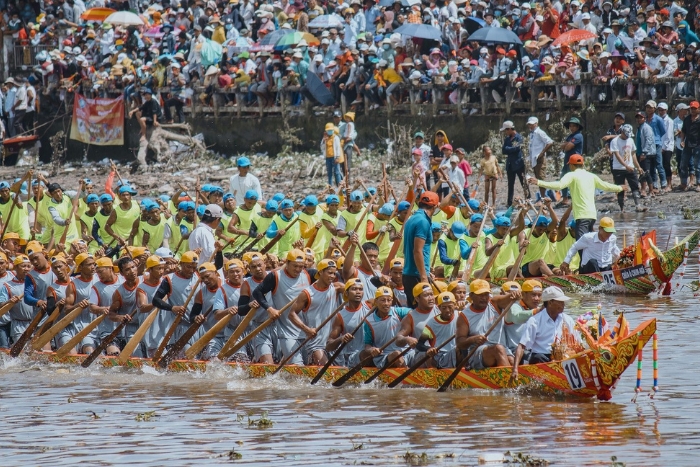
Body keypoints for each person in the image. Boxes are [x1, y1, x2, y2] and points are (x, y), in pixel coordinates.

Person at [528, 154, 623, 239]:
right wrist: (619, 188)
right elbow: (605, 186)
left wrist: (539, 182)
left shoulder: (572, 175)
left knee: (582, 245)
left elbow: (559, 185)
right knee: (588, 244)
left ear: (572, 165)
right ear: (582, 165)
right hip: (592, 216)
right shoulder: (591, 176)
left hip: (582, 216)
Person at [251, 249, 314, 365]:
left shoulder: (308, 274)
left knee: (308, 367)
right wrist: (269, 309)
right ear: (287, 263)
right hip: (287, 332)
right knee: (297, 368)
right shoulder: (275, 276)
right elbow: (257, 292)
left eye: (301, 266)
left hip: (307, 330)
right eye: (295, 266)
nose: (298, 270)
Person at [510, 287, 580, 378]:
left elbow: (578, 342)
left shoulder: (567, 319)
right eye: (560, 302)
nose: (563, 305)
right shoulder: (534, 321)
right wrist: (515, 369)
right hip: (542, 357)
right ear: (550, 302)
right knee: (538, 357)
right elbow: (522, 346)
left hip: (563, 355)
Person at [288, 259, 342, 365]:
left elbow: (353, 290)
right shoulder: (307, 293)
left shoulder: (336, 287)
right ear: (320, 272)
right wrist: (307, 329)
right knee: (327, 373)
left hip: (332, 341)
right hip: (315, 342)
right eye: (329, 273)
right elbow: (291, 314)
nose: (332, 276)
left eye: (334, 273)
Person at [456, 279, 518, 370]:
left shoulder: (495, 303)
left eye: (486, 294)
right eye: (480, 295)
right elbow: (459, 343)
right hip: (477, 353)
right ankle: (510, 383)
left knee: (511, 360)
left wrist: (513, 295)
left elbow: (507, 298)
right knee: (499, 349)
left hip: (501, 349)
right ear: (471, 296)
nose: (484, 298)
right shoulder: (464, 316)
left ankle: (506, 377)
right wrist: (473, 339)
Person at [402, 191, 439, 307]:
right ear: (435, 207)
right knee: (422, 312)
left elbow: (407, 249)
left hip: (409, 273)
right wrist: (424, 276)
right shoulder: (423, 222)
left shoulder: (412, 218)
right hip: (416, 275)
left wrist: (427, 271)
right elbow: (417, 251)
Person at [326, 278, 372, 367]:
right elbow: (329, 346)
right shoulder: (340, 316)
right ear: (346, 293)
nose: (358, 292)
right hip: (351, 357)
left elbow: (388, 302)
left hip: (370, 352)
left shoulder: (370, 305)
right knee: (367, 353)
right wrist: (341, 338)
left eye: (360, 289)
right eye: (354, 289)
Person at [610, 124, 647, 212]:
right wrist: (625, 166)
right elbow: (617, 155)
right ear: (622, 132)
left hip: (631, 167)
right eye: (625, 135)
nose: (627, 137)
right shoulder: (615, 141)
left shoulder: (630, 140)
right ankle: (621, 208)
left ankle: (638, 206)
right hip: (618, 168)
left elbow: (633, 154)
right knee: (620, 188)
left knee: (635, 186)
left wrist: (638, 167)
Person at [417, 291, 458, 368]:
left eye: (450, 307)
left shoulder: (459, 317)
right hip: (441, 357)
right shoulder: (432, 323)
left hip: (457, 353)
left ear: (455, 305)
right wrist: (429, 349)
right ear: (439, 308)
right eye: (444, 307)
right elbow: (419, 344)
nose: (447, 310)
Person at [501, 280, 543, 354]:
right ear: (523, 294)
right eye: (533, 295)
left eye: (539, 295)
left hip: (532, 349)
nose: (537, 299)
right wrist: (536, 311)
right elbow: (517, 317)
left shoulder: (537, 309)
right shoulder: (513, 306)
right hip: (515, 350)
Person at [501, 120, 529, 207]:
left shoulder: (519, 137)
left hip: (519, 163)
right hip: (510, 164)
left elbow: (517, 148)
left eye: (506, 130)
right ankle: (509, 202)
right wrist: (511, 149)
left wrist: (509, 149)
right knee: (510, 184)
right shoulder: (507, 139)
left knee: (523, 182)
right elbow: (504, 150)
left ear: (510, 129)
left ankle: (528, 199)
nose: (505, 132)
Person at [558, 117, 584, 204]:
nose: (571, 128)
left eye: (573, 126)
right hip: (567, 161)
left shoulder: (578, 136)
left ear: (577, 127)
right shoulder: (570, 136)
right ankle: (565, 199)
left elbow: (568, 147)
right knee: (564, 179)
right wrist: (566, 145)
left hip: (575, 162)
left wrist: (566, 145)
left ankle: (576, 199)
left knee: (574, 180)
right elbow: (563, 146)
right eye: (570, 126)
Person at [527, 116, 554, 198]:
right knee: (537, 178)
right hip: (534, 159)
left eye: (532, 124)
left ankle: (543, 198)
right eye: (529, 125)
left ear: (536, 124)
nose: (530, 126)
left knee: (541, 178)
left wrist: (542, 153)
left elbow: (550, 142)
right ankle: (542, 197)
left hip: (539, 159)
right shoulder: (531, 134)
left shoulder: (540, 132)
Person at [636, 110, 657, 197]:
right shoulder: (639, 128)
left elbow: (649, 141)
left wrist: (644, 152)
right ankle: (643, 190)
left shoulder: (646, 128)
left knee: (646, 172)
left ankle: (651, 191)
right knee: (642, 172)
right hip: (641, 152)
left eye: (641, 117)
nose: (639, 119)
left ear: (645, 119)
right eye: (637, 118)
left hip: (647, 154)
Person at [680, 101, 700, 192]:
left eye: (694, 108)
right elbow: (683, 131)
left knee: (697, 165)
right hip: (688, 144)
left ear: (698, 109)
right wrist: (682, 141)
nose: (693, 110)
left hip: (698, 144)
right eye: (691, 108)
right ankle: (684, 183)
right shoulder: (687, 119)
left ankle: (698, 183)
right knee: (683, 163)